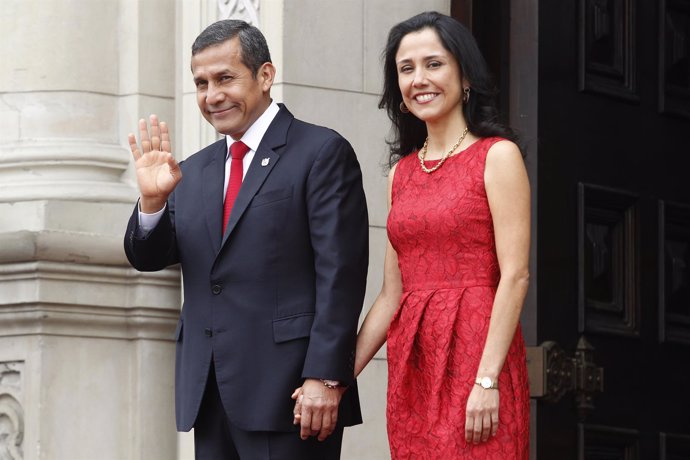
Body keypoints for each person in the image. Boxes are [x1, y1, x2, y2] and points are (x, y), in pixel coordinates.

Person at [123, 19, 368, 460]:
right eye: (201, 83)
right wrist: (153, 201)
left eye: (225, 78)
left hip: (292, 395)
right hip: (210, 390)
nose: (212, 95)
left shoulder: (320, 152)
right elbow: (148, 257)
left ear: (265, 76)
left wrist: (326, 377)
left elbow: (341, 273)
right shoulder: (191, 171)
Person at [354, 11, 531, 459]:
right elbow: (390, 296)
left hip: (478, 359)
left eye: (434, 63)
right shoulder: (401, 174)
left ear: (464, 74)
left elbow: (515, 276)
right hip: (415, 367)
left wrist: (487, 380)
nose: (419, 79)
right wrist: (335, 376)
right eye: (406, 68)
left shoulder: (497, 156)